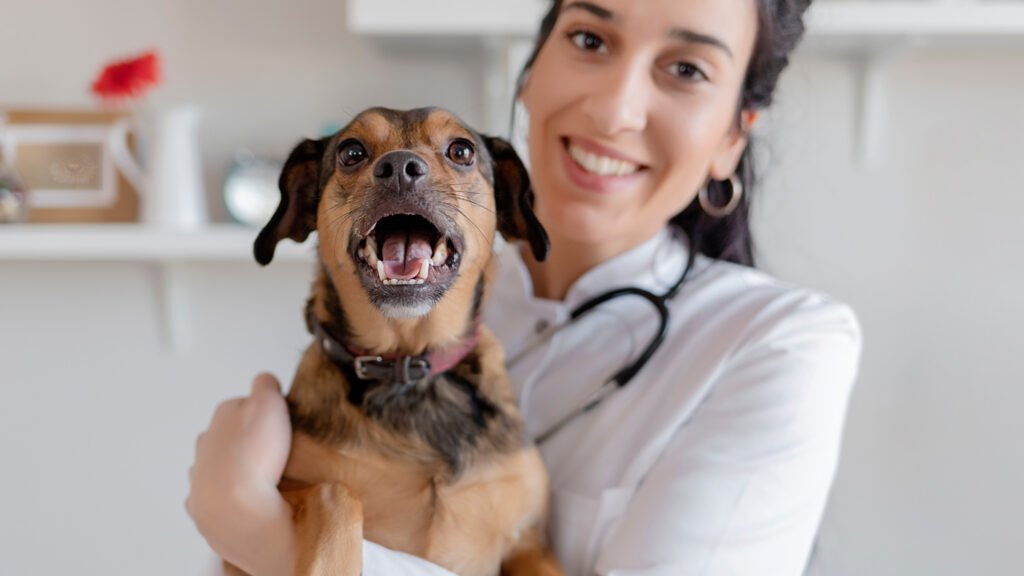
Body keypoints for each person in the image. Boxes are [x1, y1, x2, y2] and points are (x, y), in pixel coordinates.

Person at [186, 0, 863, 574]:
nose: (614, 108)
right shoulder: (410, 304)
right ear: (530, 75)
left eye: (686, 69)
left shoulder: (785, 342)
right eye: (590, 39)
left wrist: (259, 528)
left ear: (731, 139)